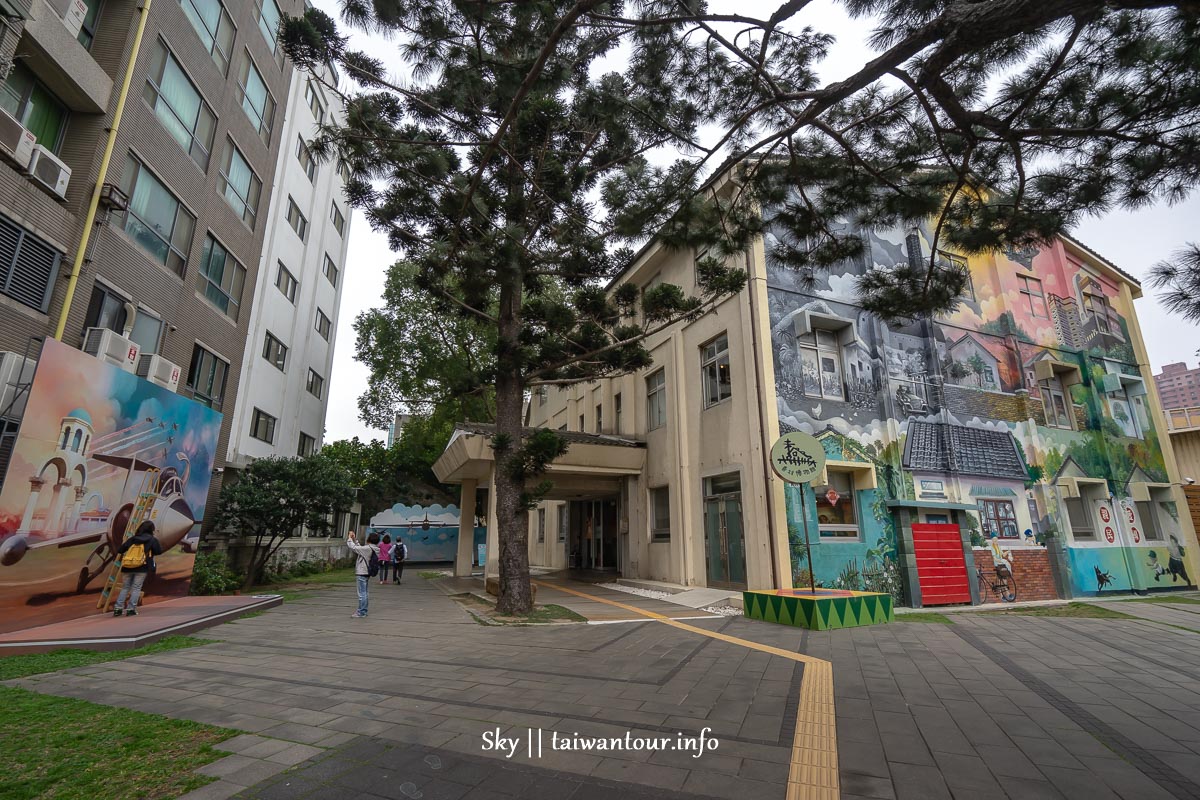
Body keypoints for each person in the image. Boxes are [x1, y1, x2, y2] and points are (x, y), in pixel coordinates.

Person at [113, 521, 162, 617]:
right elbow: (158, 551)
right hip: (142, 567)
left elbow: (120, 550)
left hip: (128, 566)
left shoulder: (132, 539)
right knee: (136, 588)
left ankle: (118, 609)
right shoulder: (152, 540)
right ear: (152, 530)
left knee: (125, 587)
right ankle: (131, 609)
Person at [346, 530, 380, 618]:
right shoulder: (374, 548)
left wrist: (349, 538)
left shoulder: (368, 548)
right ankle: (363, 610)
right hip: (367, 572)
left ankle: (362, 612)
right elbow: (360, 549)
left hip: (362, 572)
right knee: (364, 592)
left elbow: (353, 548)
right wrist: (355, 539)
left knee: (362, 594)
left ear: (369, 539)